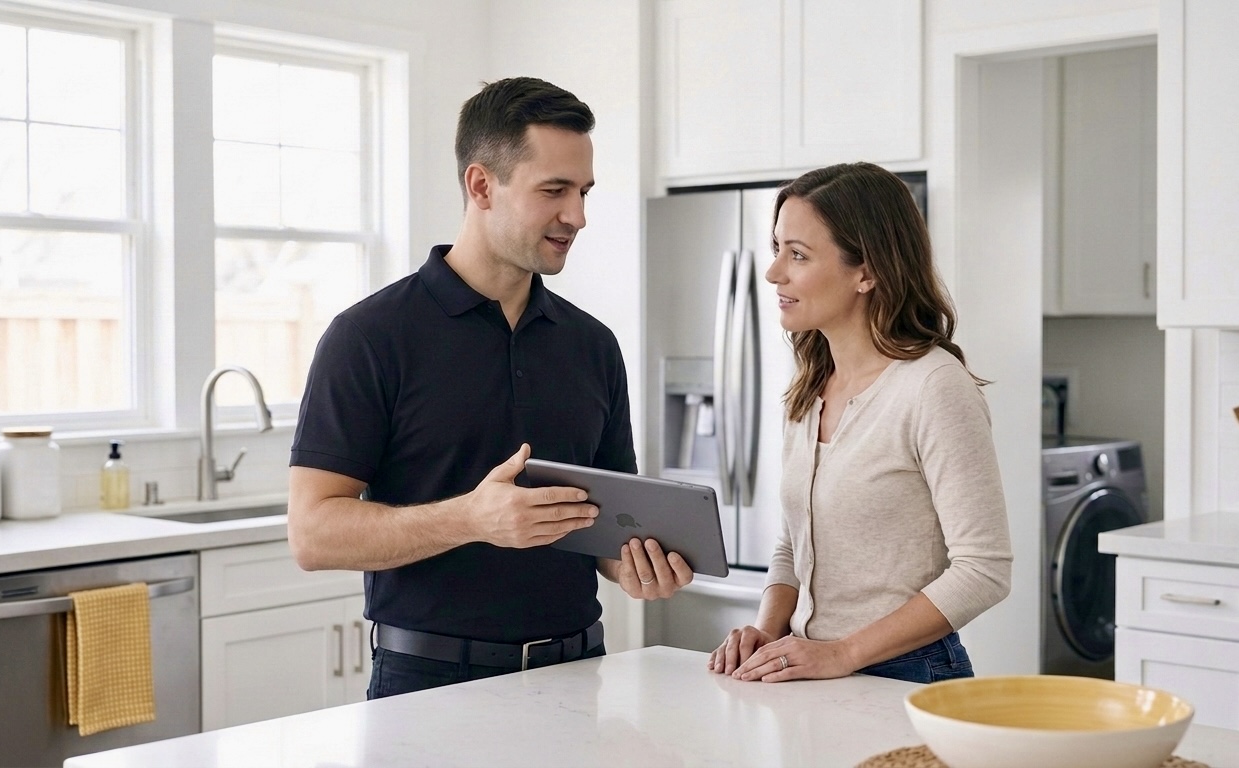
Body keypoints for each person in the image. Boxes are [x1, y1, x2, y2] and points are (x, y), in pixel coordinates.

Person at [288, 76, 693, 698]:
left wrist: (636, 566)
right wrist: (470, 519)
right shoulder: (369, 336)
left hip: (577, 676)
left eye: (583, 192)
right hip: (428, 686)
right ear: (482, 185)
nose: (577, 216)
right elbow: (313, 535)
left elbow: (606, 527)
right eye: (554, 190)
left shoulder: (592, 345)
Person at [708, 162, 1012, 684]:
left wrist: (843, 653)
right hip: (805, 663)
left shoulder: (933, 387)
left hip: (909, 672)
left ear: (866, 272)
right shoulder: (809, 388)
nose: (773, 271)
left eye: (798, 254)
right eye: (777, 247)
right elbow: (791, 547)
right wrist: (767, 629)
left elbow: (984, 571)